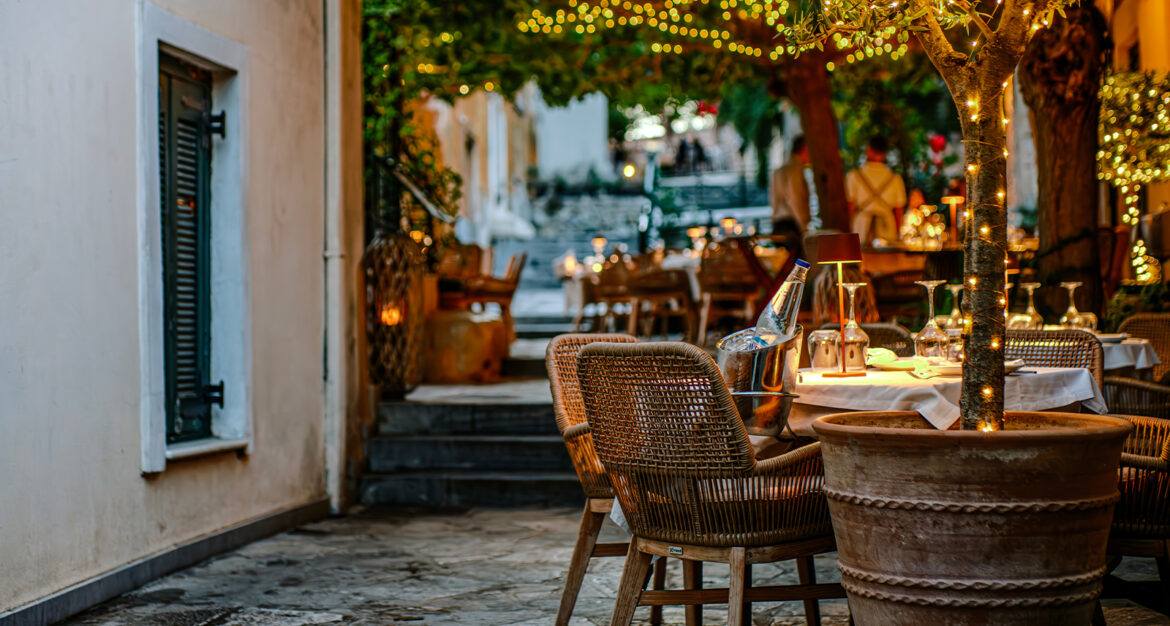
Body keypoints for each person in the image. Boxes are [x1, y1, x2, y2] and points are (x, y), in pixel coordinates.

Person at [846, 135, 906, 246]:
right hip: (887, 226)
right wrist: (897, 234)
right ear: (885, 153)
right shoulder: (895, 178)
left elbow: (850, 207)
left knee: (862, 260)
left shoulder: (854, 176)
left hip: (861, 227)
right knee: (887, 260)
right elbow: (898, 211)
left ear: (868, 149)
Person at [770, 135, 812, 249]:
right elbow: (795, 198)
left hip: (779, 222)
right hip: (792, 224)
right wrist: (803, 227)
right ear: (805, 149)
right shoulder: (795, 169)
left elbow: (773, 201)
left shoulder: (780, 170)